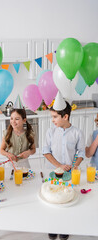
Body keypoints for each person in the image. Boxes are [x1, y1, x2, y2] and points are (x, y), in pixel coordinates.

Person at [43, 92, 85, 240]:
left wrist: (74, 166)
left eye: (55, 117)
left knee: (67, 197)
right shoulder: (50, 132)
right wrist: (59, 165)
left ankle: (65, 227)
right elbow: (46, 152)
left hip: (68, 174)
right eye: (52, 117)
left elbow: (81, 153)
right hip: (53, 172)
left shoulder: (77, 133)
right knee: (53, 197)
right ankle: (53, 227)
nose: (52, 120)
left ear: (65, 117)